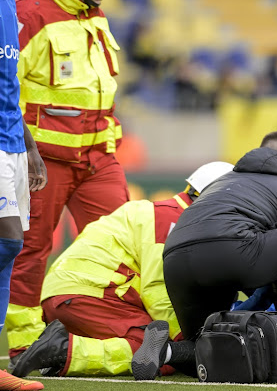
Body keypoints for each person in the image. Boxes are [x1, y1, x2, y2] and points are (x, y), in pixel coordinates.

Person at [6, 0, 130, 363]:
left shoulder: (94, 15)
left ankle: (108, 324)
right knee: (30, 249)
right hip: (45, 161)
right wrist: (23, 153)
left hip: (99, 159)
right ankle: (25, 344)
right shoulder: (28, 15)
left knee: (124, 244)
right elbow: (9, 89)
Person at [10, 162, 234, 379]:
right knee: (156, 351)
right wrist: (184, 338)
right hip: (90, 296)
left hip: (72, 295)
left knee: (159, 348)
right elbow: (158, 291)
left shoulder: (165, 212)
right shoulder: (174, 221)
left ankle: (60, 348)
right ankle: (62, 352)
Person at [160, 131, 277, 372]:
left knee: (204, 344)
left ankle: (165, 351)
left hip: (175, 257)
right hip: (232, 250)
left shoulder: (219, 183)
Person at [0, 0, 48, 391]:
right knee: (8, 241)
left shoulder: (7, 3)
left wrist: (28, 146)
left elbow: (8, 86)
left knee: (9, 249)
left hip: (13, 145)